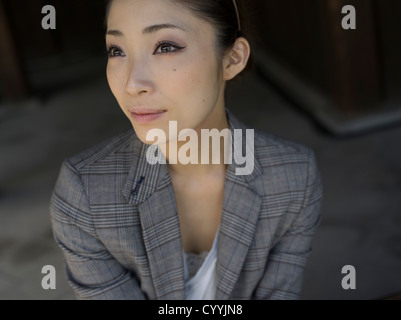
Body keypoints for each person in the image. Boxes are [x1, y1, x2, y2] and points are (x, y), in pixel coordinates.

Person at [50, 0, 323, 300]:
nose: (132, 84)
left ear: (232, 59)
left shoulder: (294, 177)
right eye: (117, 50)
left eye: (165, 46)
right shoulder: (84, 193)